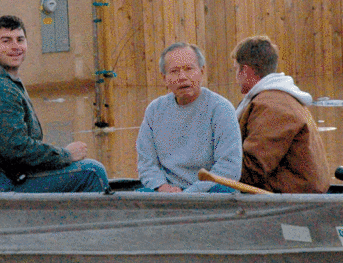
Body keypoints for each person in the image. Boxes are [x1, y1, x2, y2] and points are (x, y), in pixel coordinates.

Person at [0, 15, 108, 193]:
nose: (15, 47)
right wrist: (66, 155)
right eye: (6, 41)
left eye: (20, 40)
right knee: (92, 172)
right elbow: (17, 150)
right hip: (2, 183)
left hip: (8, 175)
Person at [136, 42, 242, 192]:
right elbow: (146, 163)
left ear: (202, 71)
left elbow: (229, 167)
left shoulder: (221, 109)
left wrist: (189, 194)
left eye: (189, 69)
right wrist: (162, 187)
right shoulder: (155, 110)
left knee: (224, 191)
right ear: (164, 77)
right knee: (140, 195)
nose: (182, 77)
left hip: (208, 192)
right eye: (174, 71)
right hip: (167, 193)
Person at [232, 36, 330, 193]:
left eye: (236, 69)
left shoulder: (270, 107)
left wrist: (211, 164)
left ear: (246, 70)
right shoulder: (280, 98)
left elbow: (253, 169)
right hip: (297, 190)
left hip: (294, 195)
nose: (236, 77)